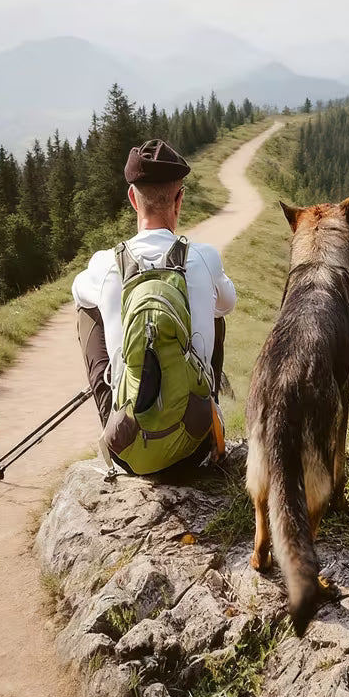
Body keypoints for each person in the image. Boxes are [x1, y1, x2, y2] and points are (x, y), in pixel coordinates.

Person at [72, 139, 236, 470]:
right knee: (215, 310)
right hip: (196, 449)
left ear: (133, 199)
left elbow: (77, 291)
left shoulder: (105, 264)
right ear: (180, 199)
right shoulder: (204, 257)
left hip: (130, 455)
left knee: (86, 310)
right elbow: (227, 303)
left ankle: (113, 423)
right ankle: (209, 405)